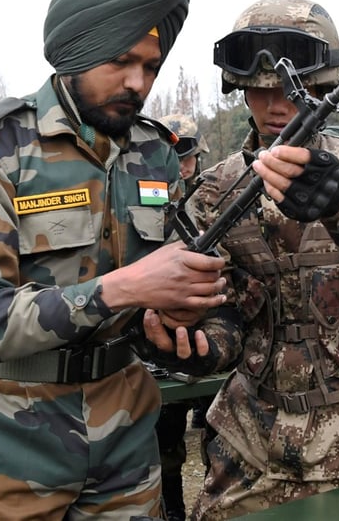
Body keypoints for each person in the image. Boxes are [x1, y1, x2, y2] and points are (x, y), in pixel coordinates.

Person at [0, 0, 228, 520]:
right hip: (10, 436)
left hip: (126, 427)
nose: (138, 83)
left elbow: (182, 280)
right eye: (120, 61)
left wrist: (186, 325)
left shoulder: (153, 152)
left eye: (149, 66)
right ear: (74, 52)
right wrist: (123, 288)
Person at [186, 0, 339, 518]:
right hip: (247, 445)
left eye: (287, 90)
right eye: (258, 90)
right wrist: (193, 342)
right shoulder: (217, 189)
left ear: (320, 86)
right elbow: (221, 319)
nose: (275, 106)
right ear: (240, 89)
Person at [155, 113, 215, 521]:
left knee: (218, 424)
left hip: (210, 322)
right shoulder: (148, 196)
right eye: (175, 155)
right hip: (162, 321)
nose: (183, 163)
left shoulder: (214, 193)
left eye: (188, 155)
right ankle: (173, 508)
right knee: (166, 430)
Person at [161, 113, 211, 187]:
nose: (180, 166)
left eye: (186, 158)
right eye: (170, 161)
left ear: (197, 156)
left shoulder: (209, 189)